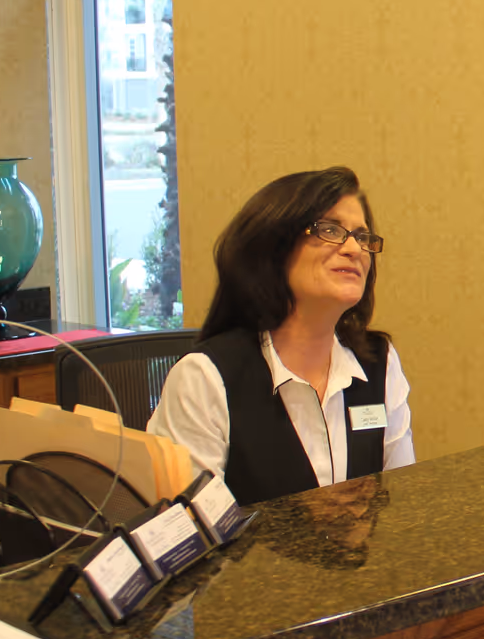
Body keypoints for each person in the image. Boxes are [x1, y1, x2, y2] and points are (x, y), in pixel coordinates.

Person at [149, 166, 414, 505]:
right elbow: (193, 541)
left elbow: (401, 506)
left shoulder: (380, 362)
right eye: (331, 230)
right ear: (273, 248)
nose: (354, 249)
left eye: (362, 237)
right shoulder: (205, 379)